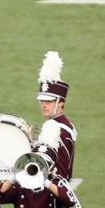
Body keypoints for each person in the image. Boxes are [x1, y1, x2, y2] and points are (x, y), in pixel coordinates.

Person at [35, 51, 75, 179]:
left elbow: (61, 174)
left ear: (61, 103)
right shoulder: (57, 124)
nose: (44, 105)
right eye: (42, 101)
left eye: (48, 101)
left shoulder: (61, 130)